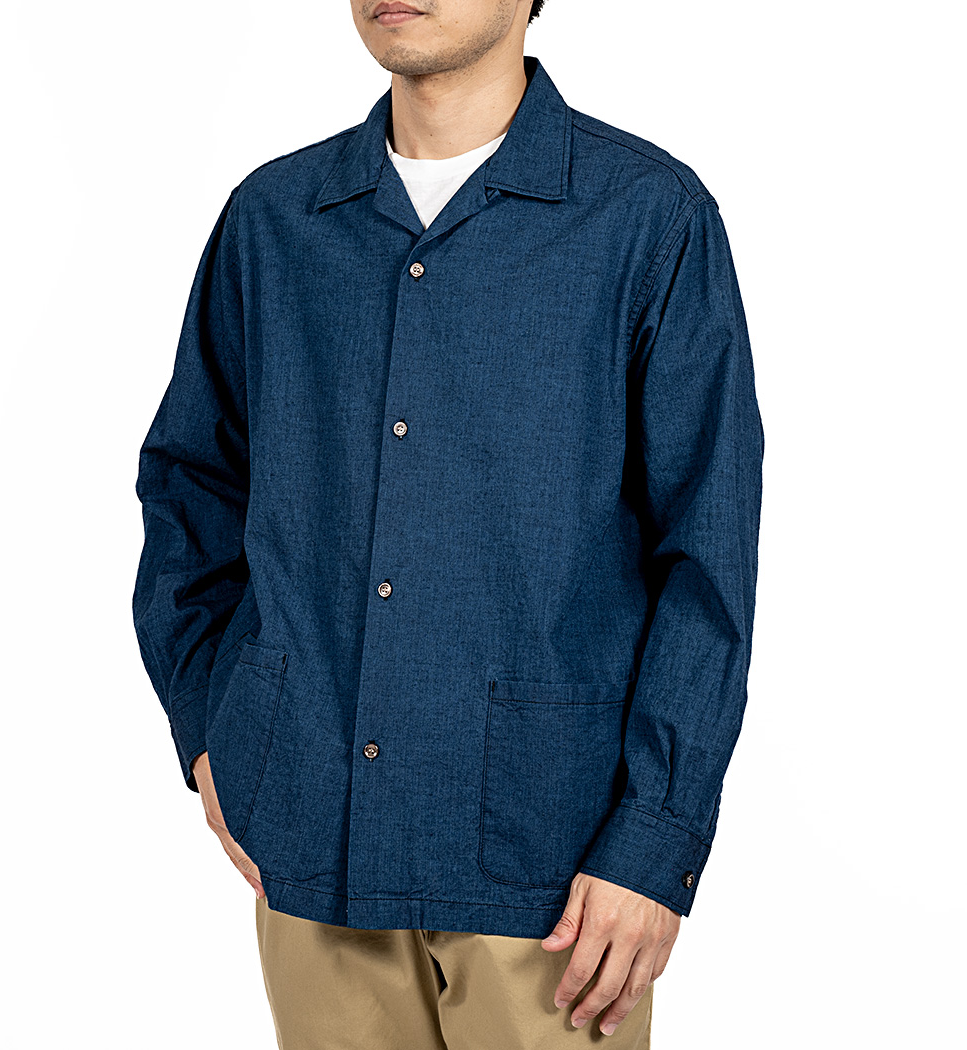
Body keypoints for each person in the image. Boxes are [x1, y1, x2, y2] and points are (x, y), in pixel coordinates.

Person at [132, 1, 764, 1046]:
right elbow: (191, 488)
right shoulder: (274, 221)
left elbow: (709, 554)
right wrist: (212, 733)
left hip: (557, 870)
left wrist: (656, 841)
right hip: (311, 843)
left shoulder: (649, 218)